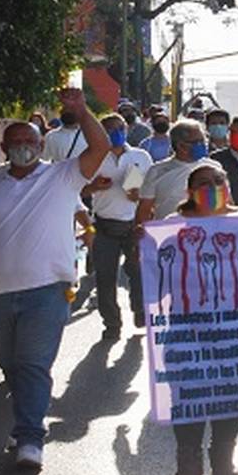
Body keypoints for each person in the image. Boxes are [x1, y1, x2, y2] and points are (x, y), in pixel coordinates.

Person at [0, 88, 110, 470]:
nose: (23, 146)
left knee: (33, 364)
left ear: (41, 145)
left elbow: (99, 147)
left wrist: (83, 111)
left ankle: (30, 438)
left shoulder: (63, 176)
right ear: (4, 148)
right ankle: (26, 420)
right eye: (16, 142)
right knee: (9, 361)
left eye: (29, 141)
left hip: (48, 292)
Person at [166, 165, 238, 475]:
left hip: (237, 326)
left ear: (228, 186)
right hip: (187, 325)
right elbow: (156, 272)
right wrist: (144, 245)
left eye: (218, 181)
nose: (211, 187)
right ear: (189, 191)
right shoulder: (172, 225)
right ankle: (188, 462)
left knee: (233, 391)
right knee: (187, 392)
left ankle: (223, 457)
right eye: (203, 184)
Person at [84, 114, 153, 340]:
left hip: (134, 225)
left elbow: (152, 192)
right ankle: (112, 324)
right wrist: (94, 187)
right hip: (104, 226)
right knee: (105, 279)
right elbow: (77, 190)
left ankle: (140, 310)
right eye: (110, 129)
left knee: (139, 273)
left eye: (120, 127)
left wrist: (137, 194)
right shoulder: (92, 157)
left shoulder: (140, 157)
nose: (116, 132)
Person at [136, 120, 221, 225]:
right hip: (169, 234)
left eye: (203, 140)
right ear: (180, 145)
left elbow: (226, 203)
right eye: (197, 142)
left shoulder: (214, 168)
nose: (203, 144)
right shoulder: (157, 171)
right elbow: (144, 209)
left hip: (207, 232)